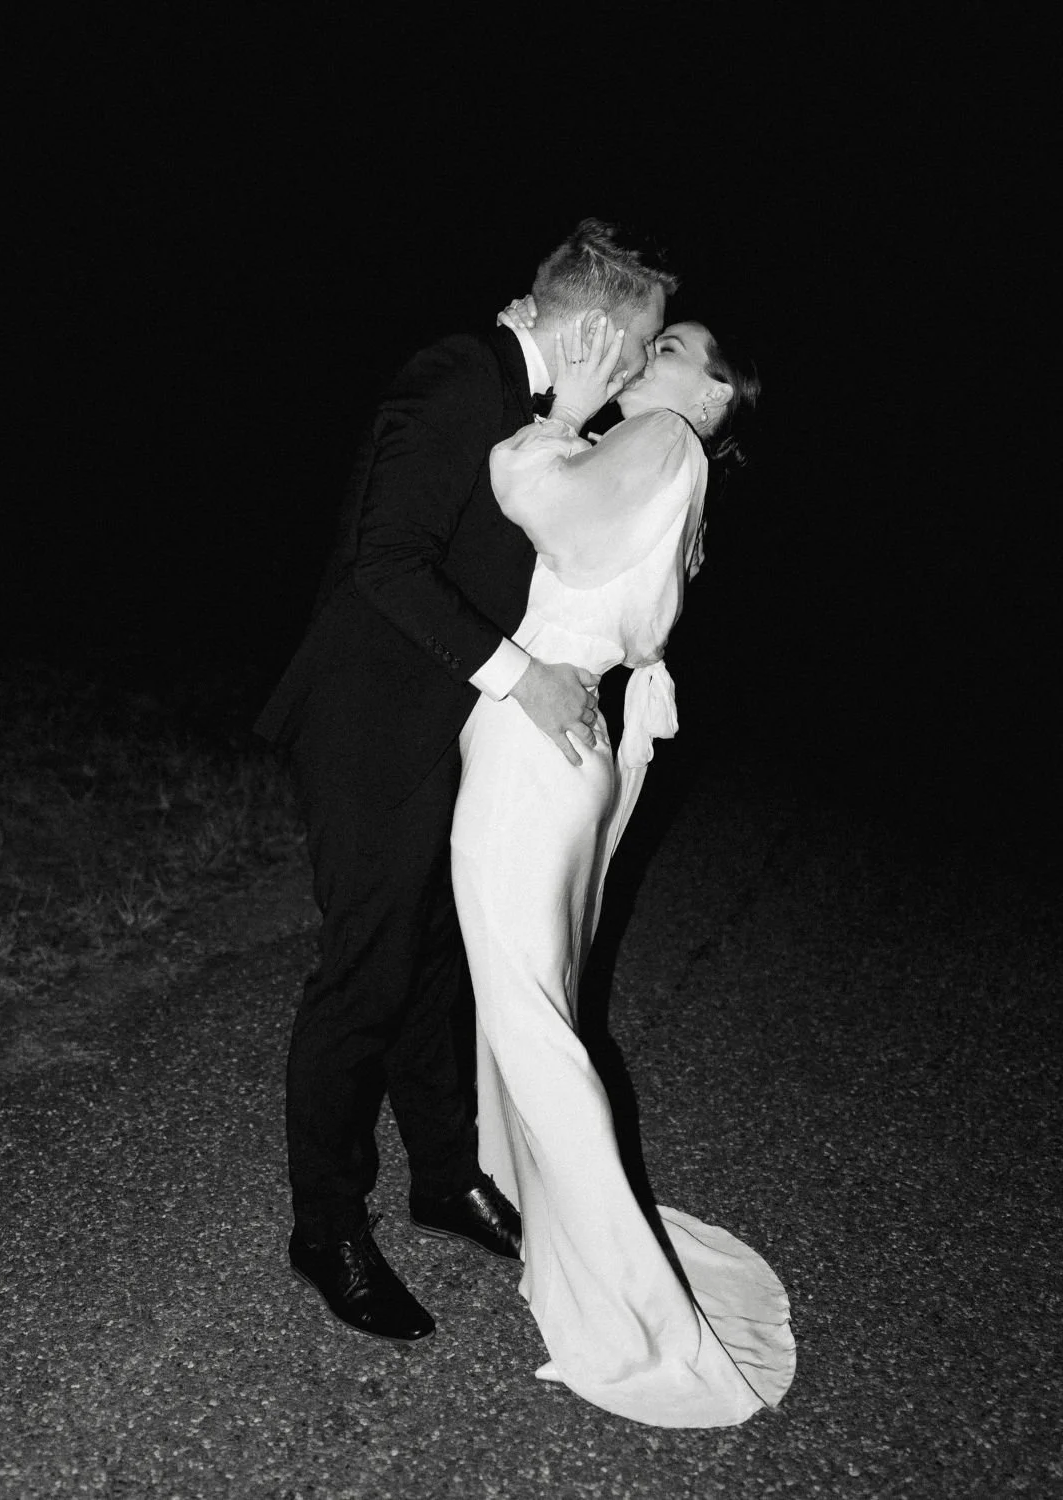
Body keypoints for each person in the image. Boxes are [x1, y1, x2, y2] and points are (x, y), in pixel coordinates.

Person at [254, 220, 675, 1343]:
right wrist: (526, 678)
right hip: (370, 725)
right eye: (634, 351)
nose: (636, 374)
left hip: (449, 726)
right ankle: (325, 1226)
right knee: (367, 972)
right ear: (590, 330)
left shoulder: (539, 412)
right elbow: (384, 560)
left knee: (435, 963)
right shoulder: (456, 376)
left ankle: (444, 1176)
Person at [451, 302, 796, 1425]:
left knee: (532, 1022)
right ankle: (541, 1216)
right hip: (569, 739)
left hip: (534, 745)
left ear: (711, 396)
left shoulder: (660, 442)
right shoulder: (672, 461)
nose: (658, 353)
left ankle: (629, 1312)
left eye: (680, 349)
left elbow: (535, 497)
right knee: (531, 1005)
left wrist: (567, 406)